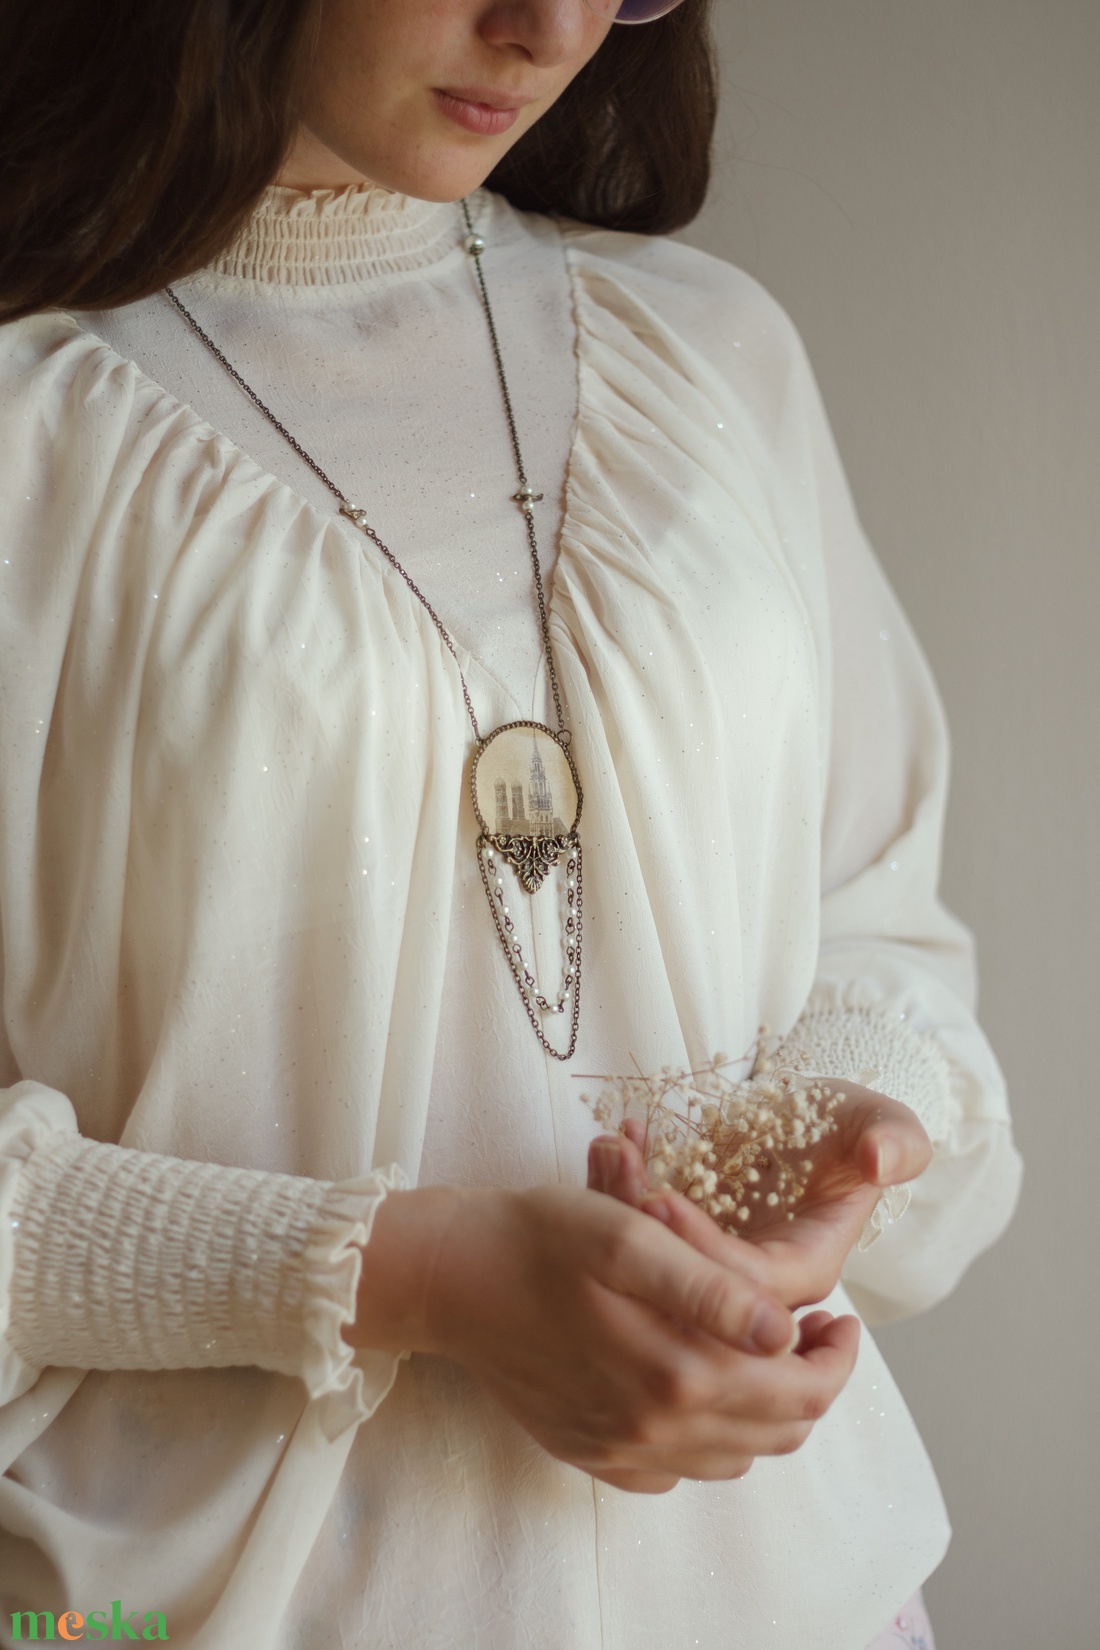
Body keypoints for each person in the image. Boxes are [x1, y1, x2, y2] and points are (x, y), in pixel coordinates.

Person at [0, 1, 1021, 1645]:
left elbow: (877, 924)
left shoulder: (713, 350)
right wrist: (397, 1272)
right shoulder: (35, 417)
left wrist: (849, 1128)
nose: (546, 27)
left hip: (786, 1591)